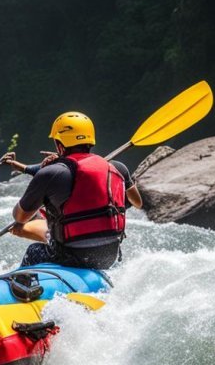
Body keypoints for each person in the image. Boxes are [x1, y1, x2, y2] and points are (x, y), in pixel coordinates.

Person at [9, 111, 143, 269]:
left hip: (71, 255)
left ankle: (20, 288)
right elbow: (137, 202)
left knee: (33, 251)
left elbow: (20, 216)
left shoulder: (51, 172)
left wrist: (42, 187)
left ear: (59, 145)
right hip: (110, 255)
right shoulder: (118, 168)